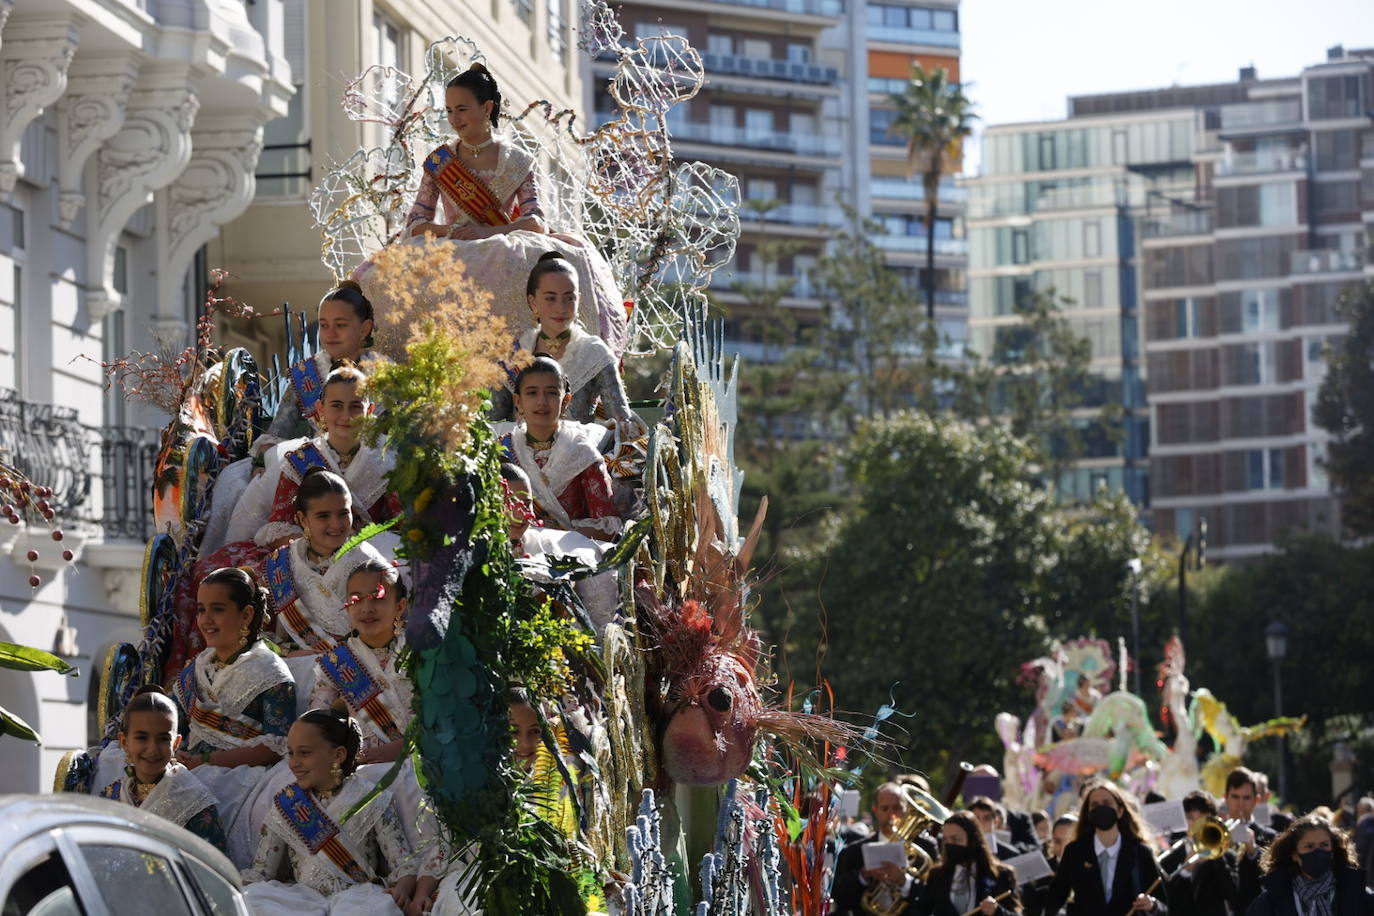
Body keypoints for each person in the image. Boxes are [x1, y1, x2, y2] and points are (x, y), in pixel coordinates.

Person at [362, 64, 626, 354]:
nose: (454, 119)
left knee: (553, 258)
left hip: (503, 243)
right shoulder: (439, 163)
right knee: (387, 274)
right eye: (449, 111)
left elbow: (535, 221)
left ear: (487, 107)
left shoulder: (518, 160)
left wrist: (491, 231)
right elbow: (416, 222)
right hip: (453, 245)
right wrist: (451, 231)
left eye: (461, 109)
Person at [241, 705, 440, 916]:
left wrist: (401, 890)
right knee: (254, 902)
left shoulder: (371, 798)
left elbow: (404, 865)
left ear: (338, 755)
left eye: (304, 753)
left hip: (357, 897)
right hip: (302, 899)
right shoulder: (287, 803)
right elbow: (261, 873)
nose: (293, 763)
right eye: (291, 753)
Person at [171, 566, 296, 866]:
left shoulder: (272, 672)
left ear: (246, 616)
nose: (206, 620)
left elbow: (274, 749)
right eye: (201, 610)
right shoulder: (197, 668)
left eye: (218, 609)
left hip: (242, 773)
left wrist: (207, 762)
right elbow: (177, 725)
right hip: (190, 764)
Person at [228, 366, 399, 549]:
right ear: (321, 409)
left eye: (355, 406)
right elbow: (278, 527)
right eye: (337, 406)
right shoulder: (299, 461)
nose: (346, 416)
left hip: (368, 556)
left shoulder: (386, 463)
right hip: (310, 556)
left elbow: (402, 526)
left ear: (370, 411)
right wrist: (320, 547)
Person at [489, 252, 634, 429]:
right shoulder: (512, 354)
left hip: (578, 454)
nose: (560, 307)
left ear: (578, 299)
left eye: (569, 298)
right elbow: (493, 422)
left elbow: (622, 424)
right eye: (550, 298)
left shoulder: (594, 353)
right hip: (518, 454)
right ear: (533, 302)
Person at [261, 467, 389, 655]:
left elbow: (383, 636)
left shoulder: (367, 563)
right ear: (302, 519)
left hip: (358, 668)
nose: (336, 524)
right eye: (323, 516)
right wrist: (288, 653)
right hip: (295, 660)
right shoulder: (283, 562)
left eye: (343, 513)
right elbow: (263, 629)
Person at [502, 357, 623, 541]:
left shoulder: (582, 453)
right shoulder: (503, 451)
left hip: (570, 557)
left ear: (566, 400)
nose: (542, 401)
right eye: (532, 393)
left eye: (551, 393)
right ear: (518, 401)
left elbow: (608, 528)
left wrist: (551, 537)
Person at [99, 685, 228, 854]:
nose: (152, 749)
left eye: (163, 739)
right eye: (142, 738)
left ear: (176, 743)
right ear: (124, 742)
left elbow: (215, 872)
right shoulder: (111, 795)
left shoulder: (194, 802)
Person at [263, 282, 378, 446]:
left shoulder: (384, 373)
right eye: (324, 325)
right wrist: (261, 462)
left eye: (340, 325)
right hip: (320, 463)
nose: (331, 334)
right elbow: (277, 433)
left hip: (374, 464)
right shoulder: (306, 373)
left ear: (364, 328)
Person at [1041, 779, 1169, 916]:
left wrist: (1151, 905)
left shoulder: (1140, 852)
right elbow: (1055, 899)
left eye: (1107, 803)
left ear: (1120, 811)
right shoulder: (1075, 852)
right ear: (1088, 813)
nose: (1101, 808)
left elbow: (1164, 906)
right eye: (1095, 805)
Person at [1243, 815, 1374, 916]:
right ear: (1295, 854)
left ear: (1332, 851)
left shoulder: (1357, 894)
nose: (1318, 852)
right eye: (1309, 846)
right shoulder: (1272, 901)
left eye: (1324, 845)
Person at [830, 782, 929, 916]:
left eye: (897, 808)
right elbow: (840, 898)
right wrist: (863, 875)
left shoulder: (926, 847)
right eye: (885, 809)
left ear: (906, 809)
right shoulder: (853, 851)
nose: (891, 815)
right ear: (875, 811)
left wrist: (903, 881)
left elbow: (933, 896)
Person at [915, 811, 1021, 916]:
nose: (950, 845)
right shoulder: (937, 874)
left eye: (956, 839)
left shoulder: (1001, 874)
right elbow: (921, 910)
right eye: (946, 840)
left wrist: (997, 911)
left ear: (973, 840)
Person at [1163, 791, 1239, 916]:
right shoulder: (1170, 853)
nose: (1196, 824)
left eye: (1202, 818)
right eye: (1190, 818)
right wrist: (1185, 871)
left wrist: (1215, 854)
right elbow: (1169, 902)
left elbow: (1231, 894)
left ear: (1213, 820)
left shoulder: (1227, 856)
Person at [1227, 768, 1278, 914]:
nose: (1241, 804)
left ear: (1256, 800)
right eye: (1235, 797)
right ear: (1226, 798)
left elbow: (1275, 885)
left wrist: (1254, 851)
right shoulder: (1213, 833)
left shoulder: (1270, 837)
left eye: (1247, 798)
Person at [971, 796, 1023, 861]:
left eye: (987, 818)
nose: (980, 823)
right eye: (976, 818)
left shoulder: (1011, 855)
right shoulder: (962, 849)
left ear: (995, 822)